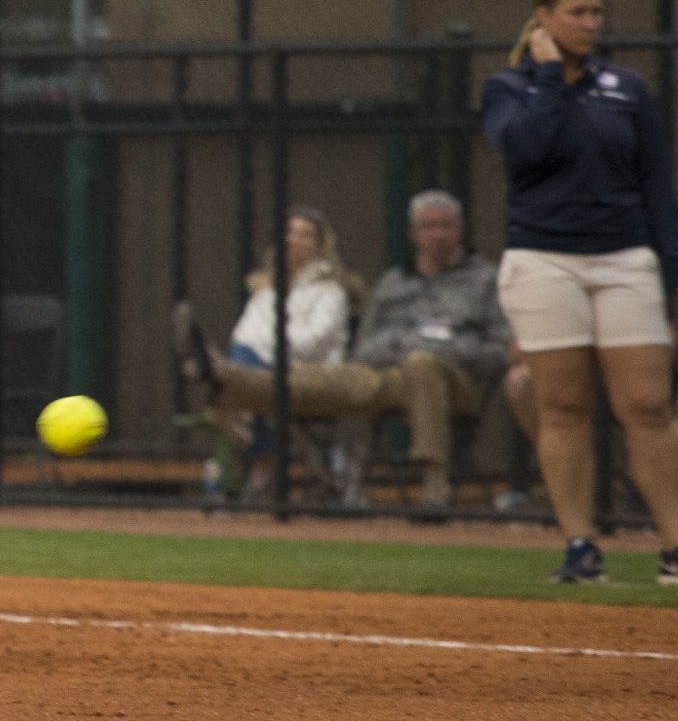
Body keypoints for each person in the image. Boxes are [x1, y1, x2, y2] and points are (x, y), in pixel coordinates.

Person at [483, 0, 678, 584]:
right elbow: (525, 150)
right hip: (544, 259)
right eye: (577, 12)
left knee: (648, 405)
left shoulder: (625, 89)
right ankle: (580, 545)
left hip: (624, 256)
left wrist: (677, 262)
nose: (590, 23)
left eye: (595, 12)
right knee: (563, 406)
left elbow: (656, 180)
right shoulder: (509, 88)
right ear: (544, 18)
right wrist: (550, 76)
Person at [178, 193, 507, 507]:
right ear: (413, 233)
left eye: (445, 225)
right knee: (327, 379)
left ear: (460, 229)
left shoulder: (484, 280)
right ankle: (227, 378)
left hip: (454, 379)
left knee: (423, 364)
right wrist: (399, 347)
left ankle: (435, 485)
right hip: (390, 372)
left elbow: (500, 347)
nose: (437, 234)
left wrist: (446, 349)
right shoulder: (395, 282)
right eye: (428, 226)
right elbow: (365, 346)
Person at [174, 207, 358, 495]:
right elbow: (243, 335)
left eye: (304, 234)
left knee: (236, 378)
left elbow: (312, 343)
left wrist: (267, 346)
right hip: (261, 372)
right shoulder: (266, 290)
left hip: (310, 375)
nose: (294, 240)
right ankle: (245, 435)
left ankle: (222, 392)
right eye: (289, 232)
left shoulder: (330, 292)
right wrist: (265, 348)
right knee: (247, 365)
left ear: (321, 245)